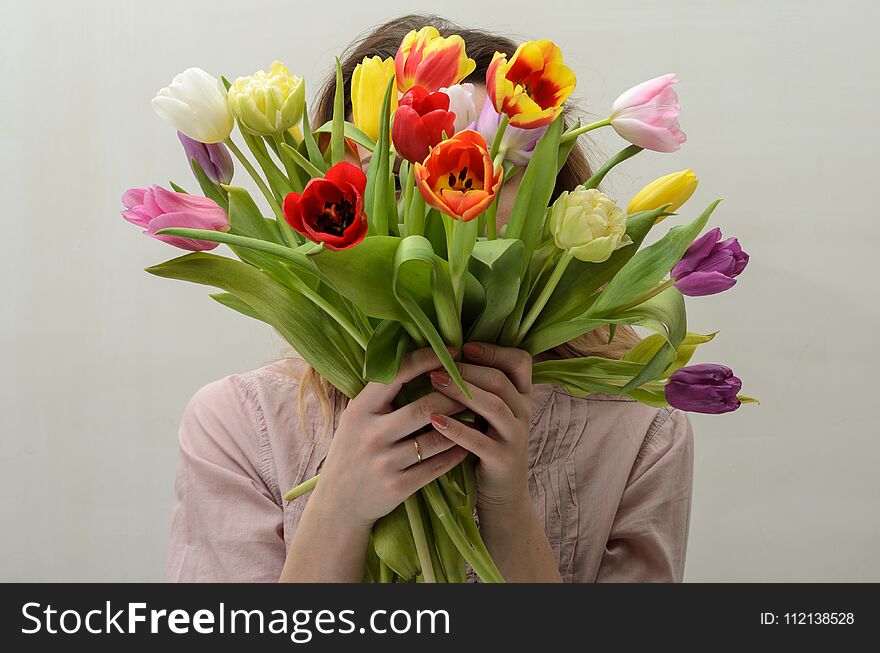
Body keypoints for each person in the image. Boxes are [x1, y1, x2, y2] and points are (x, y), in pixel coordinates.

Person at [165, 14, 695, 583]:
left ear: (554, 189)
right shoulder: (242, 425)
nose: (438, 190)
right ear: (331, 195)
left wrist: (508, 516)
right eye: (396, 171)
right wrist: (338, 510)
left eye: (499, 160)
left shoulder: (638, 430)